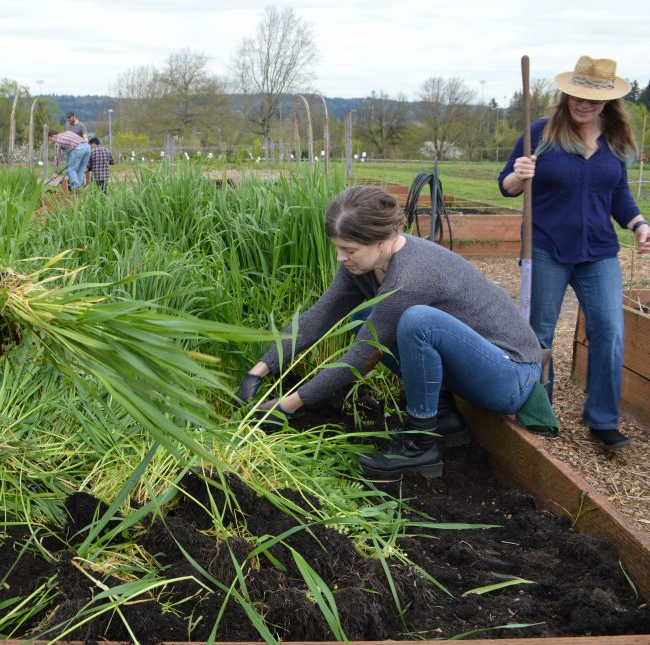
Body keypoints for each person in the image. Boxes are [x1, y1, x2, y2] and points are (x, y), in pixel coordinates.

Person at [236, 185, 544, 479]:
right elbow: (319, 317)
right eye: (338, 248)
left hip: (511, 375)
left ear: (381, 241)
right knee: (365, 314)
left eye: (349, 250)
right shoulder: (364, 264)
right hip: (476, 367)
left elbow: (359, 357)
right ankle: (444, 418)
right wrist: (259, 371)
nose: (341, 258)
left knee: (416, 322)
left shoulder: (411, 275)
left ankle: (420, 445)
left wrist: (287, 405)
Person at [499, 55, 649, 451]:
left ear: (607, 103)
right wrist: (520, 174)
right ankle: (537, 408)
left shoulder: (614, 142)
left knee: (610, 331)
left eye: (593, 99)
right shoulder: (540, 133)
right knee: (539, 332)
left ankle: (602, 419)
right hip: (546, 246)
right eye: (577, 96)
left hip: (598, 252)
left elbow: (617, 194)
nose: (584, 104)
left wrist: (638, 224)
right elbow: (507, 185)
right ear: (566, 95)